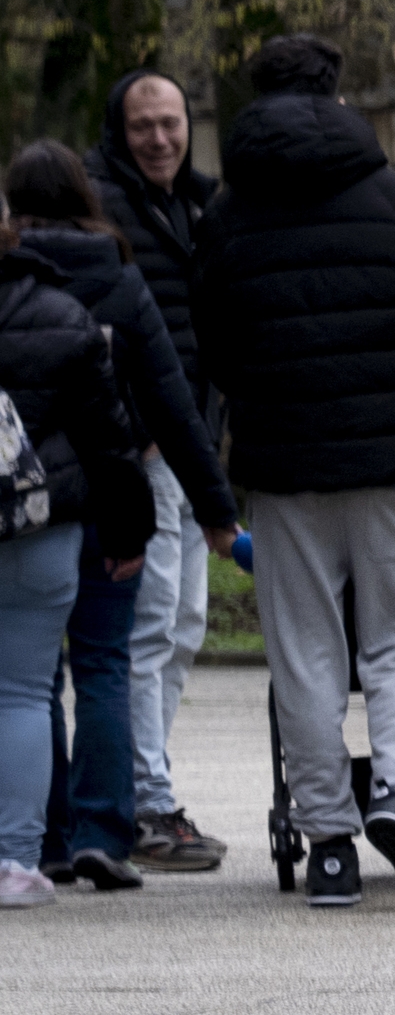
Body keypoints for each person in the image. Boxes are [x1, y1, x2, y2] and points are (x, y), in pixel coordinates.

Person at [193, 32, 395, 908]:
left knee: (304, 648)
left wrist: (261, 406)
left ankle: (328, 842)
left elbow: (214, 343)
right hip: (394, 459)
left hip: (283, 466)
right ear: (338, 96)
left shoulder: (227, 218)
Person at [4, 142, 240, 887]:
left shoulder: (9, 283)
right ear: (86, 195)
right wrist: (216, 509)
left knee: (32, 681)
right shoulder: (119, 275)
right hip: (110, 497)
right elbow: (171, 402)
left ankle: (42, 836)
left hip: (27, 508)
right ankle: (103, 830)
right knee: (106, 663)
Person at [84, 70, 228, 873]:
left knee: (184, 624)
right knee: (150, 628)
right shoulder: (106, 205)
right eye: (144, 125)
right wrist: (137, 435)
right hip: (145, 453)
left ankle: (151, 787)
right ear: (121, 129)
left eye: (170, 122)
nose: (161, 138)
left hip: (190, 444)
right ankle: (145, 802)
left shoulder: (197, 206)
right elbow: (98, 334)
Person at [0, 218, 149, 907]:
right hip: (42, 529)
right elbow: (109, 441)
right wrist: (127, 533)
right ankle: (15, 862)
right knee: (24, 694)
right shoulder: (62, 315)